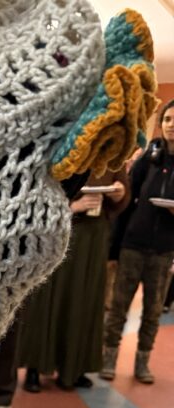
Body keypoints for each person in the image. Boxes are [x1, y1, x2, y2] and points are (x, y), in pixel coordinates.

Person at [20, 166, 129, 392]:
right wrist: (72, 207)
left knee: (84, 301)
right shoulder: (68, 156)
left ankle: (73, 369)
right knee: (49, 299)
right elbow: (41, 192)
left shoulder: (113, 159)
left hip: (94, 237)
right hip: (62, 232)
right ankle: (35, 367)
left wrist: (119, 196)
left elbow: (123, 197)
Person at [101, 99, 174, 384]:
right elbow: (127, 203)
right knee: (118, 306)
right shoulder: (148, 158)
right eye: (167, 119)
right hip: (133, 244)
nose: (171, 125)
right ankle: (108, 358)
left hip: (164, 250)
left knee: (153, 311)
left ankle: (142, 363)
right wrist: (114, 248)